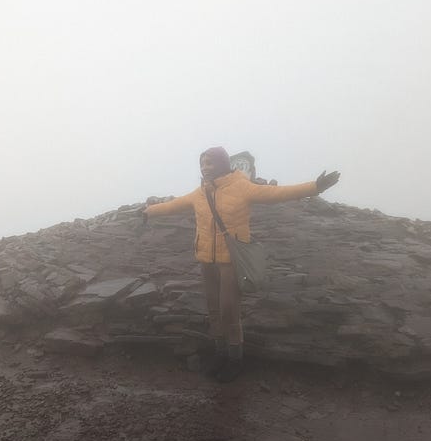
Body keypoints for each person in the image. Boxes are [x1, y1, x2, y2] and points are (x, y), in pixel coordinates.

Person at [144, 147, 339, 382]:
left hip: (230, 260)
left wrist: (314, 187)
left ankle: (235, 359)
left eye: (210, 162)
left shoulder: (241, 186)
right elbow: (172, 206)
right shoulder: (200, 193)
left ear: (222, 163)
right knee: (214, 310)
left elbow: (276, 193)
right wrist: (147, 212)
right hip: (206, 259)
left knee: (229, 311)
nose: (205, 167)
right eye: (202, 163)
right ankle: (220, 354)